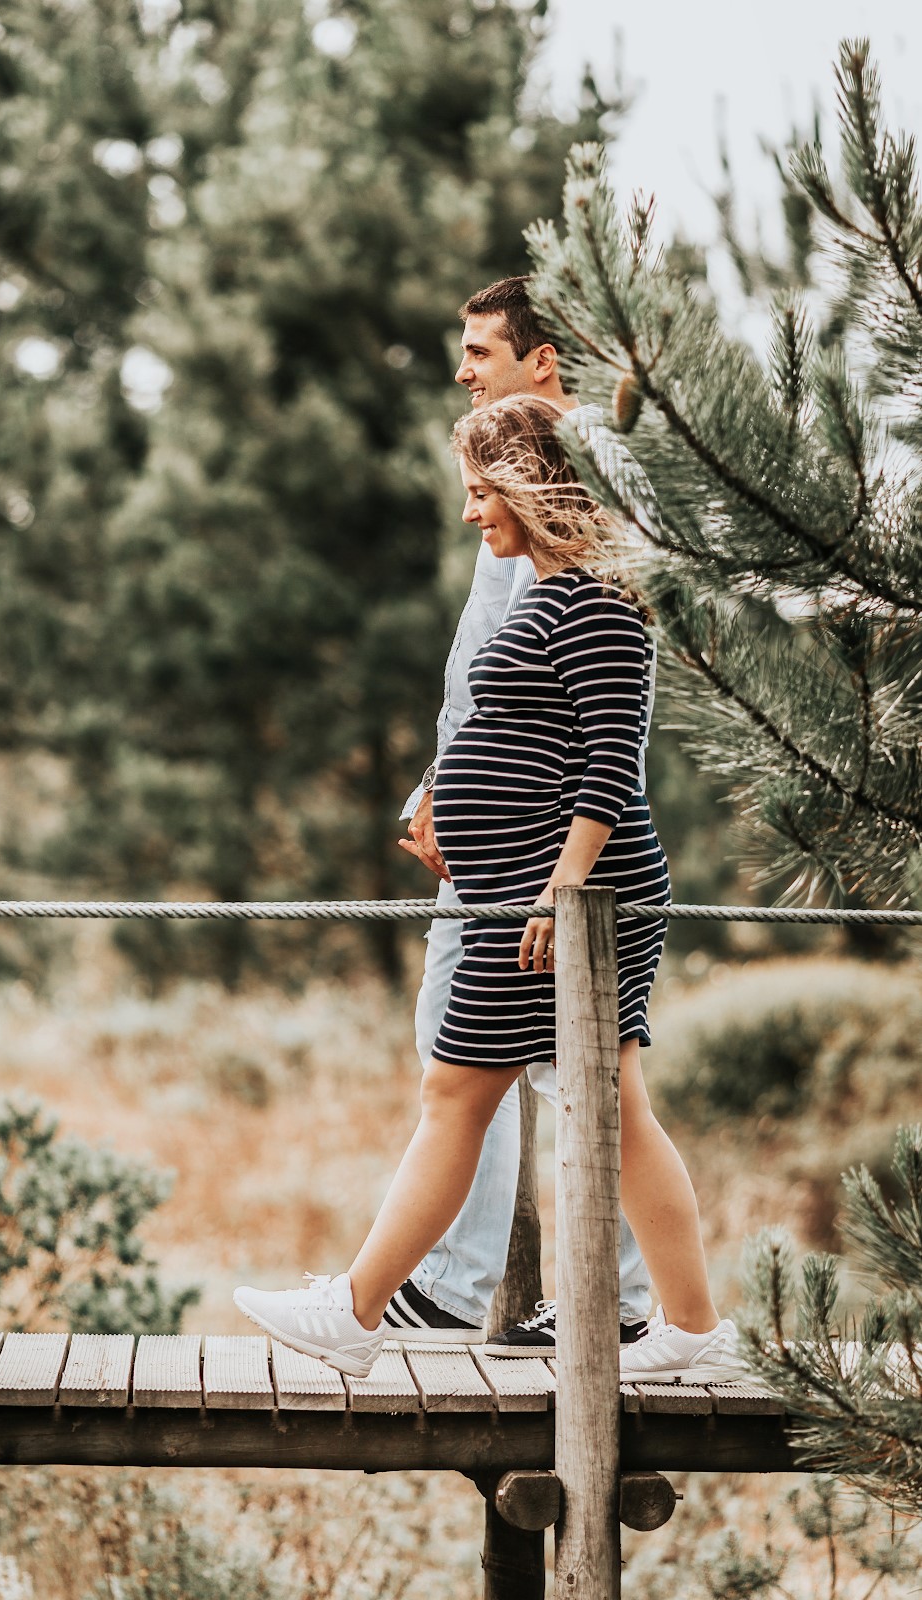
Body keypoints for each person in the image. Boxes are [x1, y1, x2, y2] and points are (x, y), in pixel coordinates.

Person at [235, 392, 743, 1385]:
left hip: (561, 908)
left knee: (469, 1096)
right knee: (578, 1103)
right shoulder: (557, 592)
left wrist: (561, 889)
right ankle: (686, 1329)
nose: (471, 514)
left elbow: (610, 763)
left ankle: (358, 1308)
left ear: (530, 485)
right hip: (526, 900)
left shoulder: (598, 598)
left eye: (481, 492)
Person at [385, 276, 652, 1357]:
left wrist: (465, 799)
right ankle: (607, 1296)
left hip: (531, 854)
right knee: (547, 1072)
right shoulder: (520, 465)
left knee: (524, 1070)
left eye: (482, 348)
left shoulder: (554, 482)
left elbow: (564, 694)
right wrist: (441, 782)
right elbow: (487, 676)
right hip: (504, 837)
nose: (462, 365)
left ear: (543, 359)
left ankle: (470, 1288)